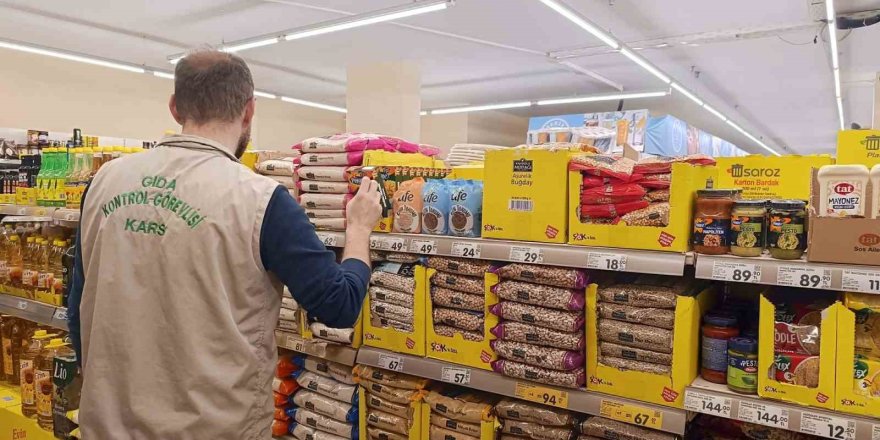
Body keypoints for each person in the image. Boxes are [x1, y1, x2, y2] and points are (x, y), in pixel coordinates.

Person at [67, 49, 382, 439]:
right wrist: (359, 229)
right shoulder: (262, 201)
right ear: (249, 111)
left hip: (108, 427)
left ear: (174, 108)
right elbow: (339, 304)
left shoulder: (104, 182)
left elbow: (78, 305)